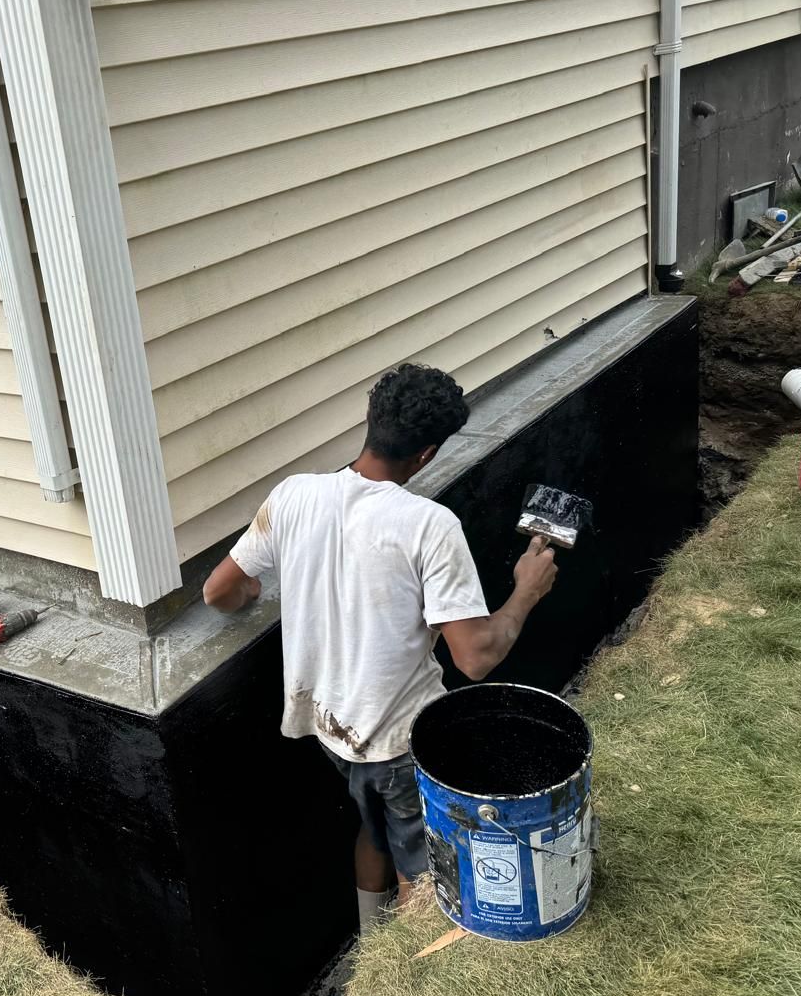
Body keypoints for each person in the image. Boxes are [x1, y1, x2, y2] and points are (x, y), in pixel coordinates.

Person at [202, 363, 559, 932]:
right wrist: (524, 592)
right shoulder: (428, 526)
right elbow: (476, 657)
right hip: (396, 740)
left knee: (372, 829)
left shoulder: (294, 494)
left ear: (369, 421)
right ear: (427, 454)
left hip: (328, 726)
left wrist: (252, 589)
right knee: (421, 859)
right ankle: (402, 978)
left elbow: (219, 590)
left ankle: (372, 945)